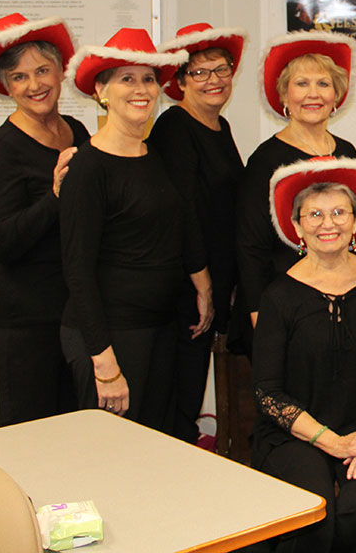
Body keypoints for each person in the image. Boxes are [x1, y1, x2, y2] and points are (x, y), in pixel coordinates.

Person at [58, 28, 214, 432]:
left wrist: (202, 285)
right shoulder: (87, 168)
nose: (141, 88)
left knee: (152, 451)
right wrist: (104, 362)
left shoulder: (154, 156)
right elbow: (77, 270)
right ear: (101, 91)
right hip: (110, 337)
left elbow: (180, 225)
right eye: (126, 78)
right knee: (109, 459)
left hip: (159, 330)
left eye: (148, 78)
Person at [252, 157, 356, 553]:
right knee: (312, 514)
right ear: (297, 227)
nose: (328, 223)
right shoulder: (278, 296)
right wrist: (333, 443)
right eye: (314, 215)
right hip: (295, 435)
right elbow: (268, 393)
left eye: (339, 212)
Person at [0, 13, 89, 426]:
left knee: (74, 421)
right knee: (32, 426)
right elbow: (0, 239)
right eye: (19, 77)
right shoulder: (3, 150)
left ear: (60, 72)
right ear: (6, 86)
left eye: (42, 70)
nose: (35, 85)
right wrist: (53, 196)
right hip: (22, 312)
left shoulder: (77, 130)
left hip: (69, 304)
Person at [147, 23, 248, 442]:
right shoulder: (174, 128)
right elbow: (181, 212)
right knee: (175, 398)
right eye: (200, 72)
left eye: (220, 69)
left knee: (186, 393)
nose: (213, 81)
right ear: (180, 81)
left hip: (209, 281)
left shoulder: (220, 128)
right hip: (185, 285)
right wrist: (203, 282)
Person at [236, 31, 356, 337]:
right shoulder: (265, 161)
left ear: (336, 95)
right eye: (301, 84)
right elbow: (250, 245)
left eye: (323, 84)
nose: (313, 94)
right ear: (284, 96)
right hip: (285, 304)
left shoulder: (347, 153)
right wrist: (260, 314)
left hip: (344, 299)